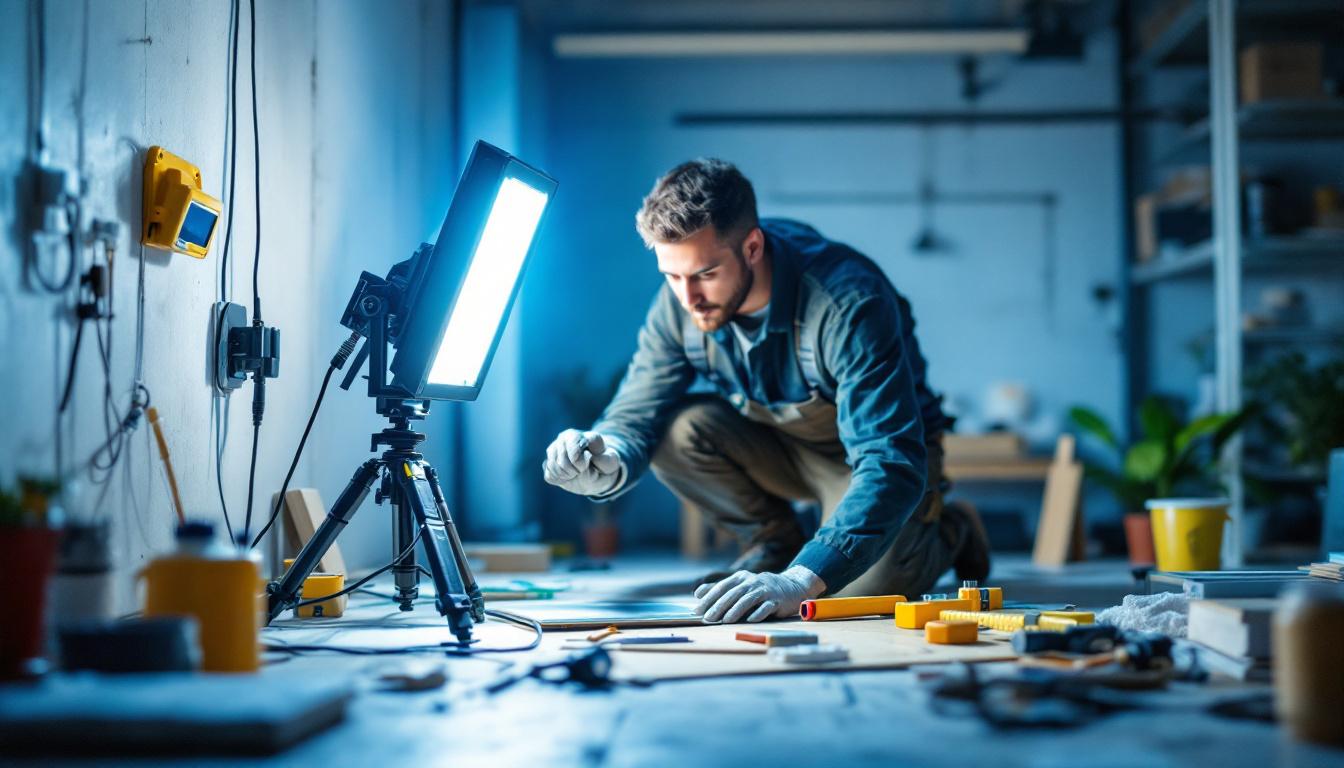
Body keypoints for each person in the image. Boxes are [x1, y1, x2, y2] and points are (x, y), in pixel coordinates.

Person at [542, 158, 989, 624]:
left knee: (861, 588)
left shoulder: (847, 303)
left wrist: (800, 580)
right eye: (671, 276)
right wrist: (605, 462)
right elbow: (636, 413)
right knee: (678, 430)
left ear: (753, 246)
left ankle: (951, 530)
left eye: (705, 274)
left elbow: (889, 462)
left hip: (874, 461)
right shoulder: (680, 302)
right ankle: (774, 543)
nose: (687, 298)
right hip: (781, 451)